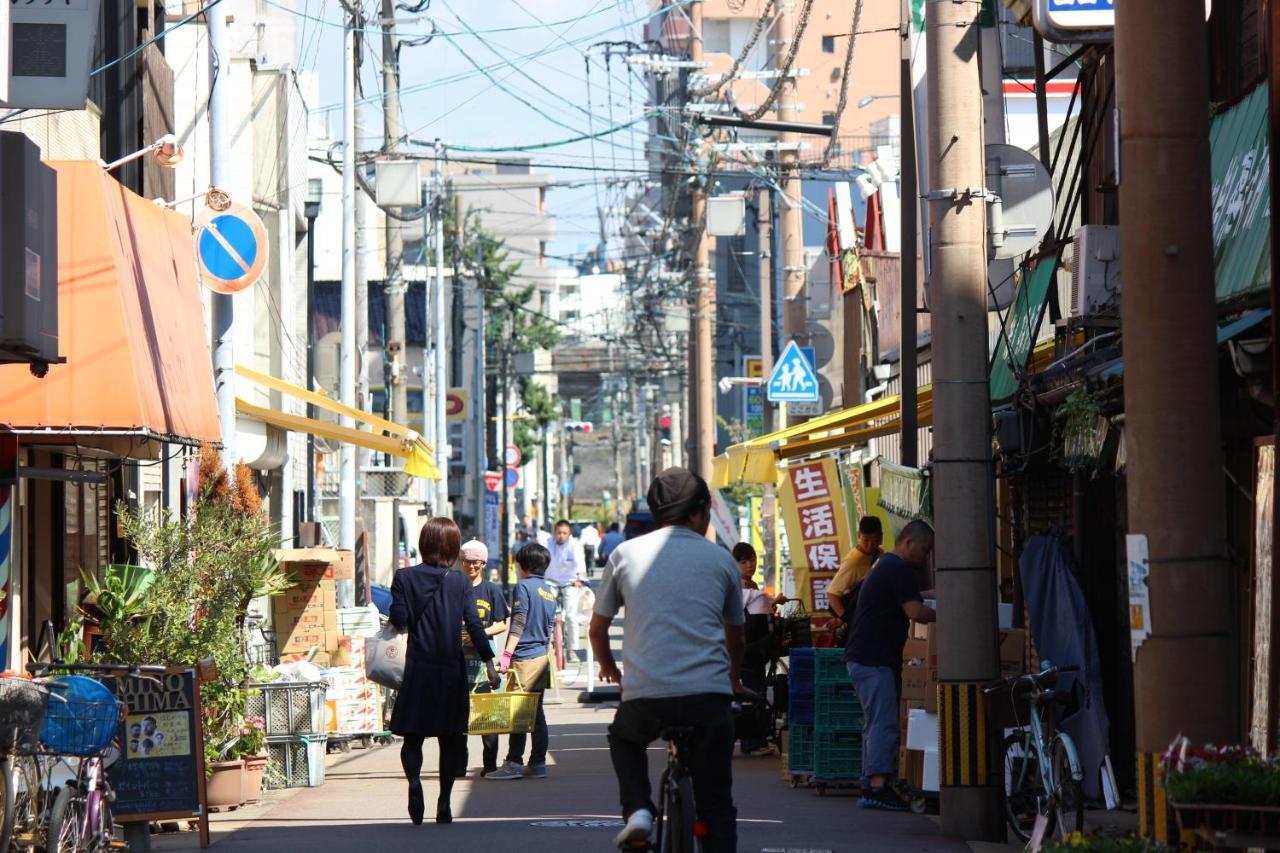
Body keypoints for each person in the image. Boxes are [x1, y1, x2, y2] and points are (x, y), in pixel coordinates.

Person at [590, 468, 745, 852]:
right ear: (698, 512)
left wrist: (610, 668)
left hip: (645, 695)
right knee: (717, 804)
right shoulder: (722, 559)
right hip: (709, 697)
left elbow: (597, 630)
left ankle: (639, 810)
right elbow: (736, 635)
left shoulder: (625, 554)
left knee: (624, 738)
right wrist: (734, 677)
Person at [389, 517, 500, 824]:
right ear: (452, 548)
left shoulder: (404, 577)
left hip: (418, 669)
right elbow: (475, 626)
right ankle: (445, 801)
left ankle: (414, 784)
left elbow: (399, 620)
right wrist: (490, 662)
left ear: (424, 544)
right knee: (450, 738)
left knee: (413, 737)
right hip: (451, 669)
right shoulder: (460, 582)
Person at [843, 519, 936, 811]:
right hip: (875, 660)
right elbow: (915, 610)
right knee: (883, 723)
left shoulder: (886, 566)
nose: (926, 556)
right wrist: (952, 611)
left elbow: (915, 599)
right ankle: (877, 786)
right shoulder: (897, 568)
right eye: (925, 549)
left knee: (875, 723)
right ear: (908, 542)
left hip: (863, 658)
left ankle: (870, 781)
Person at [487, 543, 558, 780]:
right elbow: (550, 627)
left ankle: (514, 763)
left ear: (524, 565)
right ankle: (537, 763)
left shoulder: (523, 587)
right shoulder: (549, 591)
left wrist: (506, 655)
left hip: (524, 658)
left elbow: (518, 621)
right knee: (536, 713)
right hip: (541, 657)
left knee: (519, 712)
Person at [458, 539, 510, 777]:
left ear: (483, 563)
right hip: (457, 658)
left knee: (488, 713)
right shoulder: (454, 587)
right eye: (467, 561)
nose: (471, 567)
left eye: (476, 563)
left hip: (484, 659)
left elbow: (501, 623)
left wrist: (479, 633)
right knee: (458, 714)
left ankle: (490, 764)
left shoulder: (492, 590)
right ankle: (458, 764)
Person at [732, 542, 784, 757]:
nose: (749, 565)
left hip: (754, 650)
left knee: (755, 691)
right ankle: (751, 741)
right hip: (745, 650)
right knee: (749, 693)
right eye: (743, 561)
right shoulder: (735, 587)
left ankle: (755, 738)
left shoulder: (751, 586)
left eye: (752, 560)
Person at [828, 516, 885, 628]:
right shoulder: (853, 561)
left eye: (875, 540)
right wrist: (847, 620)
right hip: (857, 618)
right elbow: (832, 594)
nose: (870, 545)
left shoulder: (880, 554)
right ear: (859, 535)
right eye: (866, 540)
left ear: (881, 538)